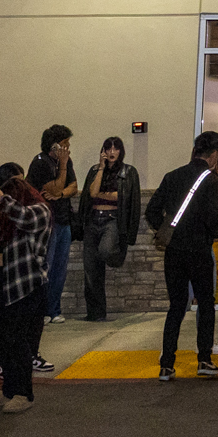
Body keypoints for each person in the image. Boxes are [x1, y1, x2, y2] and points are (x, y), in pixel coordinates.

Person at [146, 131, 218, 380]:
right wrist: (212, 235)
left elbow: (151, 210)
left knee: (176, 306)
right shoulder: (211, 180)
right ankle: (204, 359)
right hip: (199, 251)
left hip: (174, 251)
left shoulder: (172, 176)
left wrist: (166, 230)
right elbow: (211, 217)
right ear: (214, 154)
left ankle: (166, 364)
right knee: (205, 303)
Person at [0, 161, 51, 413]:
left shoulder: (40, 210)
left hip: (24, 284)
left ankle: (23, 394)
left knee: (18, 339)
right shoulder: (5, 218)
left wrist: (2, 200)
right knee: (2, 337)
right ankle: (8, 389)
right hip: (0, 281)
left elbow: (26, 218)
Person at [78, 135, 141, 322]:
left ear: (121, 151)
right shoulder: (95, 170)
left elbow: (123, 197)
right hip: (93, 220)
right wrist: (101, 168)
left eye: (116, 148)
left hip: (112, 219)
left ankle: (117, 257)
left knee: (105, 250)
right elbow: (92, 193)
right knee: (91, 269)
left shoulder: (129, 172)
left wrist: (104, 195)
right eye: (108, 148)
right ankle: (96, 313)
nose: (112, 152)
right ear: (103, 151)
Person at [26, 124, 76, 326]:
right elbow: (53, 187)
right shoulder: (40, 163)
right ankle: (42, 310)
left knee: (60, 269)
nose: (68, 148)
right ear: (54, 145)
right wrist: (62, 168)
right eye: (64, 144)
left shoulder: (67, 162)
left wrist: (61, 194)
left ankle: (54, 309)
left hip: (63, 219)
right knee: (46, 266)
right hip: (47, 223)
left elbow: (72, 187)